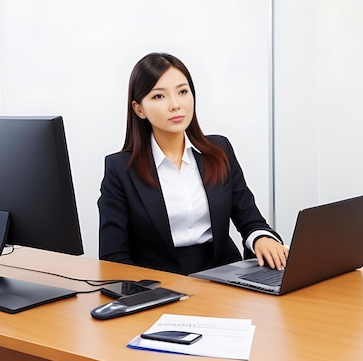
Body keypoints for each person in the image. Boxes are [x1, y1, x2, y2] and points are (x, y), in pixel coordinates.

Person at [98, 52, 288, 275]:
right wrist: (145, 293)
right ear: (139, 109)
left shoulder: (219, 151)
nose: (176, 104)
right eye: (159, 96)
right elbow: (113, 256)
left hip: (224, 276)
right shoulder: (120, 170)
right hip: (158, 285)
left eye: (182, 91)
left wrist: (262, 239)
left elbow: (251, 221)